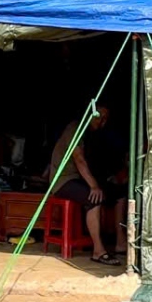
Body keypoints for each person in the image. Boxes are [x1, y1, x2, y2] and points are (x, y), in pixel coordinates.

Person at [48, 105, 128, 266]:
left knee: (120, 193)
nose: (102, 121)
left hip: (80, 180)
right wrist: (94, 186)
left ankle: (120, 242)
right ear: (89, 113)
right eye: (99, 116)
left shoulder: (93, 135)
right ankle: (98, 251)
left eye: (106, 118)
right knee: (94, 198)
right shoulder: (75, 128)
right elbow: (79, 159)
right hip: (63, 181)